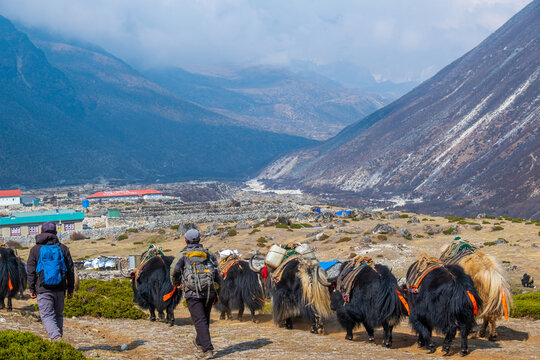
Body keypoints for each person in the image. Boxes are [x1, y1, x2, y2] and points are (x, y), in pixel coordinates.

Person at [171, 229, 220, 359]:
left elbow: (175, 271)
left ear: (186, 240)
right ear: (199, 239)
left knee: (199, 320)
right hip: (209, 292)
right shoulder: (208, 254)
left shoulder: (183, 254)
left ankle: (207, 349)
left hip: (192, 293)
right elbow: (216, 273)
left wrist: (177, 284)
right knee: (204, 319)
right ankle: (199, 343)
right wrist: (217, 292)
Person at [27, 222, 75, 341]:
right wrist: (71, 289)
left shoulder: (35, 250)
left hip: (43, 289)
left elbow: (31, 271)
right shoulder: (63, 248)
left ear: (41, 232)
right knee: (58, 315)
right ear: (56, 233)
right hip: (60, 289)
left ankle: (56, 338)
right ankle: (58, 341)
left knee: (47, 315)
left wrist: (32, 288)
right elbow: (70, 270)